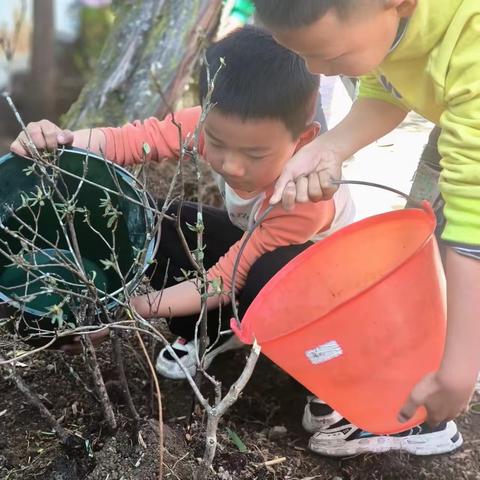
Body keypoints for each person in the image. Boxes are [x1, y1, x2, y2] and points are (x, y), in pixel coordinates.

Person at [10, 26, 354, 379]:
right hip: (251, 246)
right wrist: (60, 141)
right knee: (160, 221)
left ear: (304, 138)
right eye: (216, 142)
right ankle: (213, 330)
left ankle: (324, 380)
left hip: (322, 293)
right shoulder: (214, 123)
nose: (230, 164)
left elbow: (224, 279)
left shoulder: (304, 197)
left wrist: (126, 312)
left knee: (263, 272)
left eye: (255, 153)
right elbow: (131, 141)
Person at [250, 0, 479, 457]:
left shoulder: (469, 45)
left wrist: (459, 367)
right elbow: (388, 86)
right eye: (304, 55)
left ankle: (424, 408)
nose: (317, 69)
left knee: (453, 234)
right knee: (427, 235)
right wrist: (332, 147)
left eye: (330, 57)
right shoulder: (383, 23)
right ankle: (424, 363)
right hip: (457, 123)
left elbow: (474, 222)